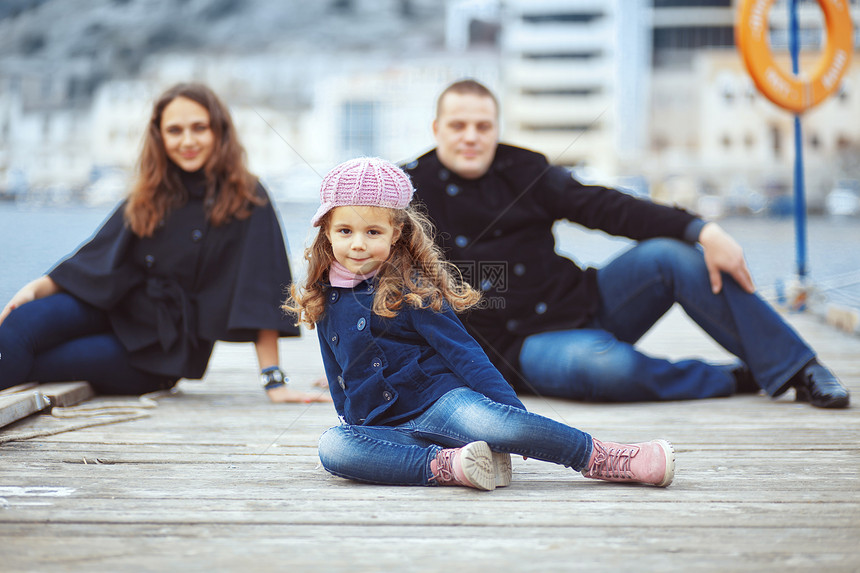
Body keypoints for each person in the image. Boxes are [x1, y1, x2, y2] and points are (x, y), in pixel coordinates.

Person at [402, 79, 849, 409]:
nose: (471, 137)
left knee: (671, 256)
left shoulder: (524, 168)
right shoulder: (408, 190)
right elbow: (359, 269)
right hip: (519, 348)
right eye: (458, 125)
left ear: (496, 127)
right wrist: (358, 366)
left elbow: (607, 207)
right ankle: (735, 377)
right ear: (437, 127)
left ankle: (798, 368)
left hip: (587, 302)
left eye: (483, 126)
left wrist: (702, 230)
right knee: (606, 367)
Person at [285, 156, 675, 490]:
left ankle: (604, 458)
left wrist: (512, 413)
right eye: (345, 231)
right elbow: (335, 369)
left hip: (442, 403)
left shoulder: (412, 288)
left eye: (372, 232)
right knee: (334, 447)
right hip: (387, 424)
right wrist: (353, 423)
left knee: (500, 424)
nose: (357, 244)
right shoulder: (325, 294)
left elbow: (466, 352)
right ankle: (450, 466)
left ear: (396, 233)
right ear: (327, 233)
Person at [0, 82, 327, 403]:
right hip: (114, 307)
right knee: (16, 330)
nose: (188, 140)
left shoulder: (247, 197)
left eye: (199, 128)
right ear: (160, 136)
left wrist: (274, 382)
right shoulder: (151, 192)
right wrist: (35, 288)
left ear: (219, 131)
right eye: (175, 130)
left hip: (160, 350)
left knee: (36, 362)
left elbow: (260, 289)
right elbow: (95, 259)